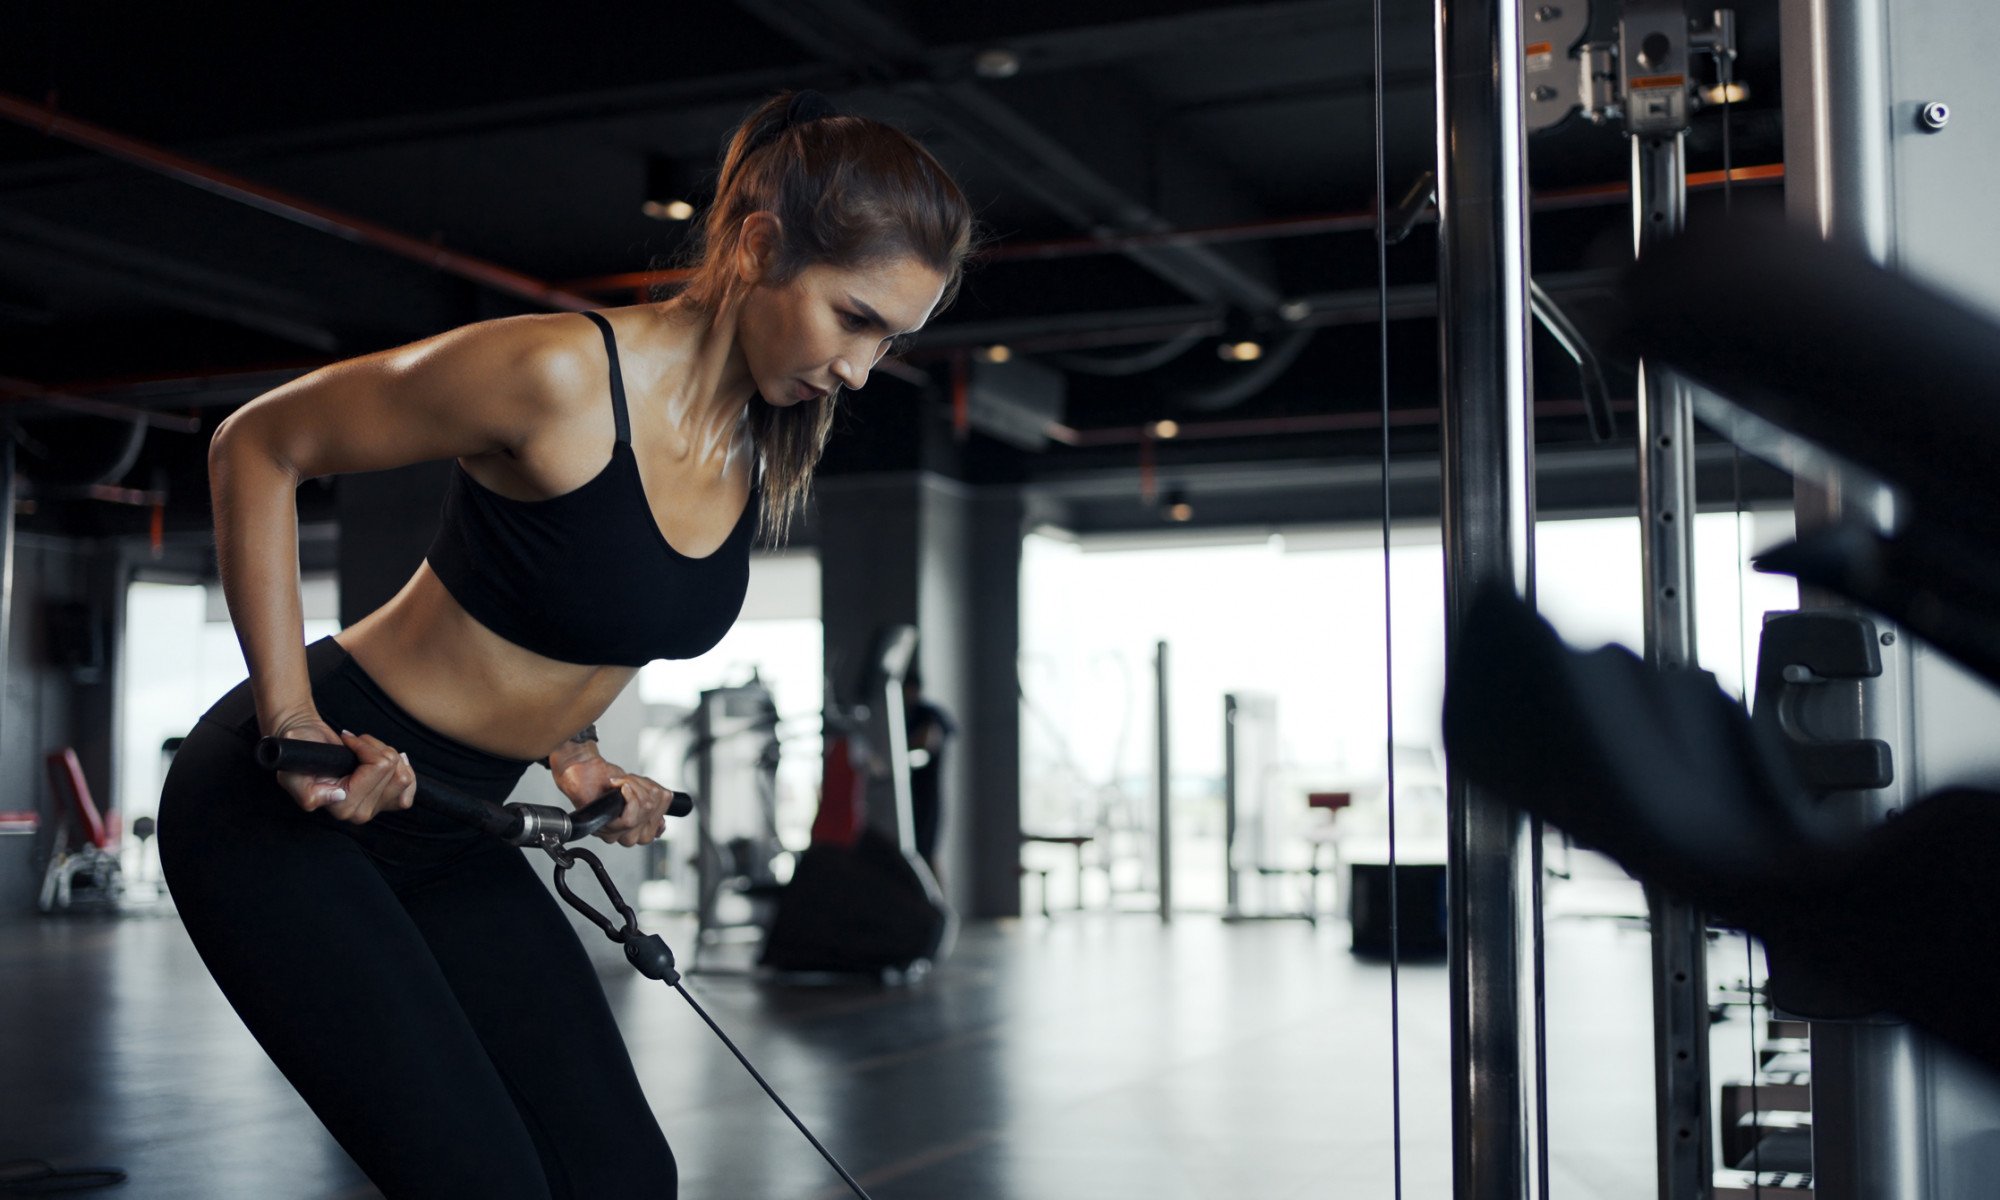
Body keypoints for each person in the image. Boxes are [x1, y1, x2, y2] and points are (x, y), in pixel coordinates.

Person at [155, 91, 973, 1200]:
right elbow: (259, 444)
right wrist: (292, 724)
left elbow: (575, 602)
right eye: (854, 317)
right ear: (757, 245)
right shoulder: (555, 375)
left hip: (451, 821)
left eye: (892, 339)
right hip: (297, 807)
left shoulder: (750, 439)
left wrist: (573, 751)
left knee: (621, 1177)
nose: (862, 368)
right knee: (484, 1181)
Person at [902, 668, 956, 870]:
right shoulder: (906, 717)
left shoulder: (929, 716)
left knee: (927, 856)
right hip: (909, 797)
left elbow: (926, 742)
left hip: (927, 798)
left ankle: (936, 903)